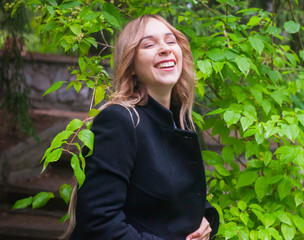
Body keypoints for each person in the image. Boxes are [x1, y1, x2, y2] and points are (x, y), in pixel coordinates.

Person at [69, 14, 219, 240]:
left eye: (170, 41)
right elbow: (98, 224)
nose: (165, 49)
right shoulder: (119, 121)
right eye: (149, 44)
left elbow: (171, 196)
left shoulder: (179, 120)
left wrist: (205, 220)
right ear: (130, 66)